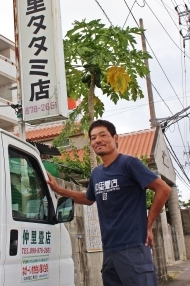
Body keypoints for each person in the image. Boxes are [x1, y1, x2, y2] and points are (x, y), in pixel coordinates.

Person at [47, 119, 171, 286]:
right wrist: (59, 190)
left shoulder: (129, 164)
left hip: (133, 247)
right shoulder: (96, 174)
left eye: (103, 135)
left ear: (115, 138)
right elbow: (88, 199)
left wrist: (148, 225)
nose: (97, 140)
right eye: (93, 137)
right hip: (110, 251)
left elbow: (164, 189)